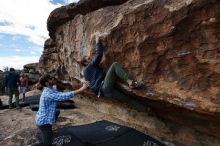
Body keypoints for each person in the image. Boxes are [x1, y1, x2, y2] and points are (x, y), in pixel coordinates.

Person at [79, 34, 146, 112]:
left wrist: (82, 80)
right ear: (86, 63)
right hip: (104, 87)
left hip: (105, 94)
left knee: (127, 99)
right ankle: (130, 82)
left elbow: (86, 81)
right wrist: (97, 42)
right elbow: (99, 55)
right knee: (114, 65)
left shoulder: (86, 74)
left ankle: (146, 110)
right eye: (89, 59)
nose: (91, 59)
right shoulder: (89, 67)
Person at [31, 74, 87, 146]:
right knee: (47, 144)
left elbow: (59, 93)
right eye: (50, 78)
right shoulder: (48, 93)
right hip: (43, 122)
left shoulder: (50, 89)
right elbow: (62, 97)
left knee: (57, 111)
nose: (53, 79)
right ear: (47, 83)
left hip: (44, 119)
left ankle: (49, 130)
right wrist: (81, 89)